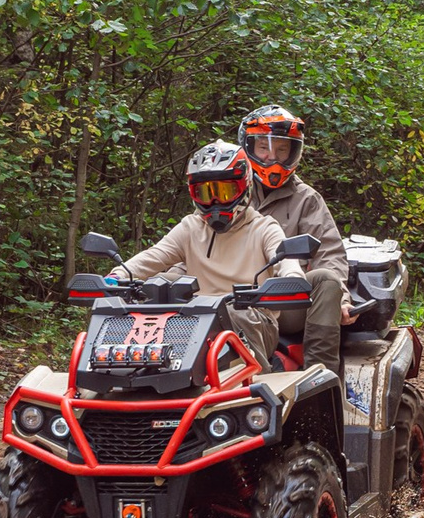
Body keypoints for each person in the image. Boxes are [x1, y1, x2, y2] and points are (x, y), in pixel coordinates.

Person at [111, 141, 308, 363]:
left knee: (237, 313)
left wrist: (292, 277)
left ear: (244, 187)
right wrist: (117, 275)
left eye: (225, 191)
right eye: (205, 193)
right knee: (145, 309)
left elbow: (284, 257)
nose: (215, 201)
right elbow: (154, 256)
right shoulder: (190, 227)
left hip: (253, 318)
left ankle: (258, 379)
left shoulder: (264, 227)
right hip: (196, 319)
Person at [239, 103, 352, 370]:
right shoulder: (227, 193)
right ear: (249, 147)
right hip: (230, 294)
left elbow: (329, 253)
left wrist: (342, 299)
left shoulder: (307, 199)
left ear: (293, 153)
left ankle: (321, 377)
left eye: (282, 149)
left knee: (326, 279)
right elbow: (193, 243)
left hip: (284, 302)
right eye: (264, 148)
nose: (272, 157)